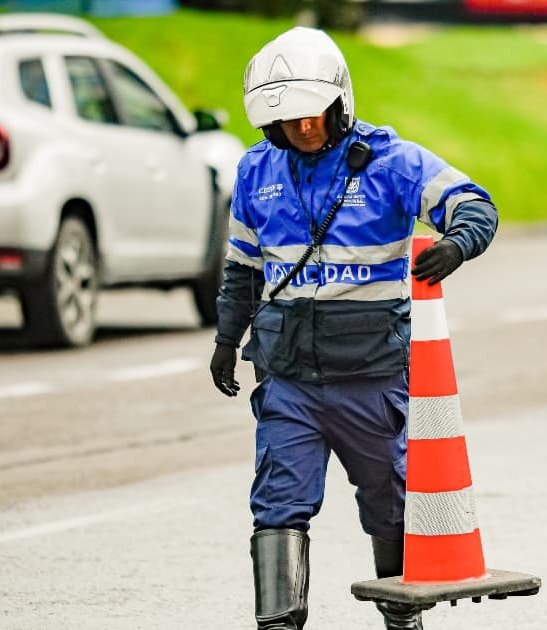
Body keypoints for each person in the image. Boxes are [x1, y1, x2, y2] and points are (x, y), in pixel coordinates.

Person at [208, 27, 498, 630]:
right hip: (289, 379)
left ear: (338, 103)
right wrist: (225, 342)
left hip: (372, 380)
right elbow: (241, 271)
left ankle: (402, 620)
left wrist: (456, 245)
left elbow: (476, 204)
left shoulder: (394, 162)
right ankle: (278, 625)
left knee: (391, 509)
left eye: (312, 117)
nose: (304, 129)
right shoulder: (255, 171)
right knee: (278, 505)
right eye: (288, 122)